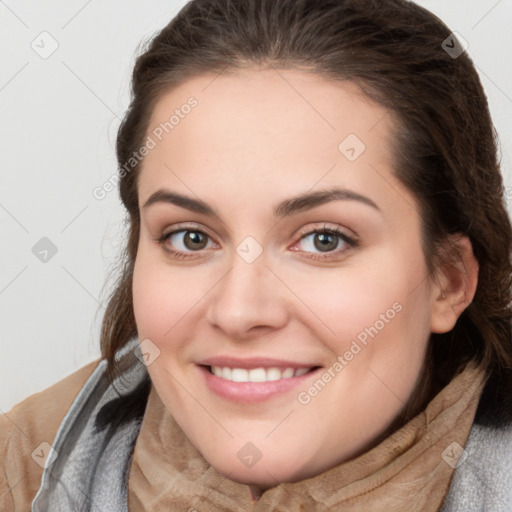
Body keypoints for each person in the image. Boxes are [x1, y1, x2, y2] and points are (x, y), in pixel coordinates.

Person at [2, 0, 512, 510]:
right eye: (191, 238)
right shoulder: (17, 474)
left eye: (323, 240)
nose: (239, 311)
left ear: (448, 281)